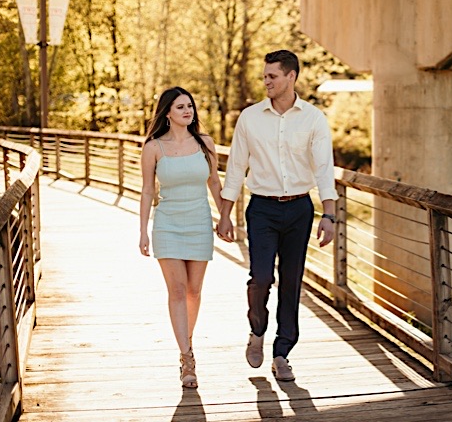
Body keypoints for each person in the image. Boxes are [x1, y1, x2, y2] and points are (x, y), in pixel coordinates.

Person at [215, 49, 338, 383]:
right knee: (261, 277)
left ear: (291, 77)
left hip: (300, 208)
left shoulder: (313, 118)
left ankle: (282, 352)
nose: (266, 81)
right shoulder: (250, 118)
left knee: (292, 282)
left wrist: (329, 215)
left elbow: (324, 168)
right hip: (263, 209)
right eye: (265, 76)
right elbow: (236, 168)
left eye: (272, 76)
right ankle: (257, 330)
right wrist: (225, 215)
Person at [139, 86, 223, 389]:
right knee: (176, 290)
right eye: (180, 107)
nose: (187, 111)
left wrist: (225, 217)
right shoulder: (153, 148)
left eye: (190, 106)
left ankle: (185, 339)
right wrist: (143, 231)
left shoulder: (206, 144)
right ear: (167, 113)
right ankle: (187, 359)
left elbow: (215, 182)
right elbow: (148, 190)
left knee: (193, 291)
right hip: (167, 224)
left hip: (199, 222)